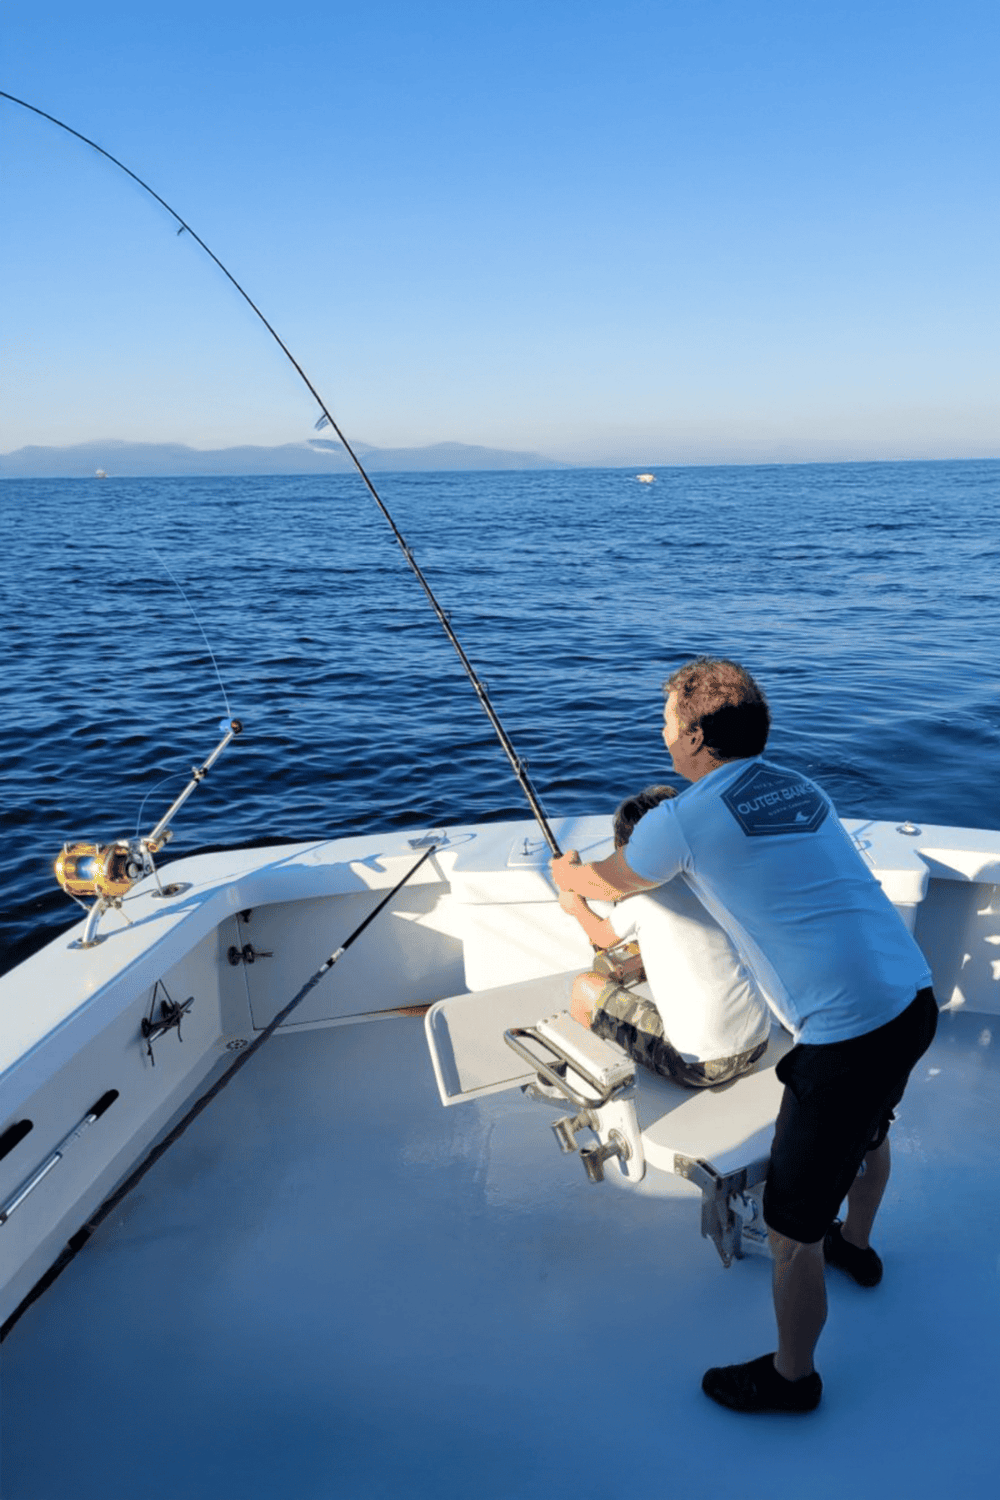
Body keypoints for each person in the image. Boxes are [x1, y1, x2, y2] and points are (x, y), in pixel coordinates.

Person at [550, 657, 937, 1416]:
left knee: (793, 1237)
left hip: (845, 1039)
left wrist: (570, 873)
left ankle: (794, 1378)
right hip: (909, 998)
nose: (662, 733)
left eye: (666, 721)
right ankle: (857, 1245)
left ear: (695, 734)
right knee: (872, 1129)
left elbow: (608, 882)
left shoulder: (680, 819)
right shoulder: (800, 785)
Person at [558, 784, 771, 1088]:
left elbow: (601, 937)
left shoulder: (642, 897)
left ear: (627, 850)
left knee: (584, 988)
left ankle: (579, 1081)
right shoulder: (712, 879)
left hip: (700, 1066)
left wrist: (575, 905)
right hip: (758, 1043)